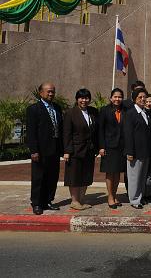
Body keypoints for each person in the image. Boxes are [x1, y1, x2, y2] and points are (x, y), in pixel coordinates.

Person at [26, 83, 63, 215]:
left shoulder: (57, 108)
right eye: (48, 91)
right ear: (40, 92)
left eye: (53, 91)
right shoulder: (33, 109)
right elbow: (31, 132)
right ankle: (36, 203)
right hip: (40, 151)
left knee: (52, 177)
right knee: (38, 178)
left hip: (55, 150)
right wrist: (33, 150)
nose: (51, 94)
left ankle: (48, 201)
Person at [63, 88, 98, 210]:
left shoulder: (93, 111)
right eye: (81, 98)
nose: (84, 100)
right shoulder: (70, 113)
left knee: (86, 175)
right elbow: (66, 133)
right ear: (77, 99)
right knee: (74, 176)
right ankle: (74, 201)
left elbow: (95, 131)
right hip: (75, 150)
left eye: (87, 98)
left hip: (89, 150)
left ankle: (82, 199)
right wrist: (67, 151)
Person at [98, 88, 126, 209]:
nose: (117, 99)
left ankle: (114, 195)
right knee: (110, 172)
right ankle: (110, 197)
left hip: (121, 146)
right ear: (111, 98)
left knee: (117, 172)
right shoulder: (104, 110)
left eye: (120, 97)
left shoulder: (125, 110)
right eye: (115, 96)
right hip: (109, 146)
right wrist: (101, 146)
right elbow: (100, 129)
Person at [124, 88, 151, 209]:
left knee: (142, 177)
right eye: (140, 97)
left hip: (145, 152)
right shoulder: (130, 113)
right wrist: (129, 152)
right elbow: (128, 134)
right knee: (134, 177)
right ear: (135, 99)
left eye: (144, 97)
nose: (143, 99)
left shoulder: (145, 112)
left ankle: (140, 197)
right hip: (134, 152)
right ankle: (134, 200)